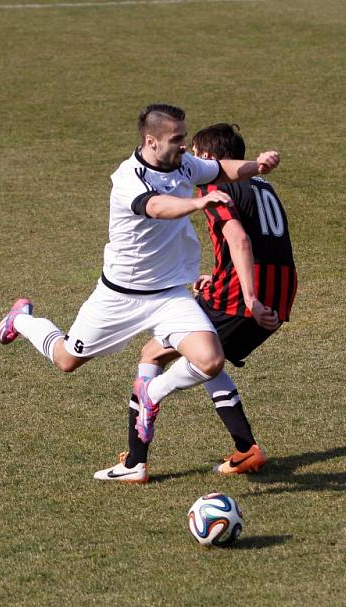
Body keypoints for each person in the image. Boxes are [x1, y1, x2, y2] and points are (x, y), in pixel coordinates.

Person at [0, 104, 280, 484]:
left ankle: (151, 400)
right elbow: (158, 207)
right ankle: (22, 319)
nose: (184, 146)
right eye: (177, 139)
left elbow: (223, 168)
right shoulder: (128, 178)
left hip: (170, 297)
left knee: (211, 360)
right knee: (66, 360)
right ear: (151, 141)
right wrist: (198, 202)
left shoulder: (183, 164)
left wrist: (256, 166)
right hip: (119, 297)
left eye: (184, 136)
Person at [116, 123, 297, 479]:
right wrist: (219, 277)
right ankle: (246, 450)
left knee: (154, 353)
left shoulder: (217, 186)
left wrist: (250, 298)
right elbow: (263, 241)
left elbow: (240, 240)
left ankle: (135, 460)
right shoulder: (262, 184)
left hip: (246, 292)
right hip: (283, 286)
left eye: (197, 154)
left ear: (211, 158)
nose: (191, 160)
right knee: (209, 356)